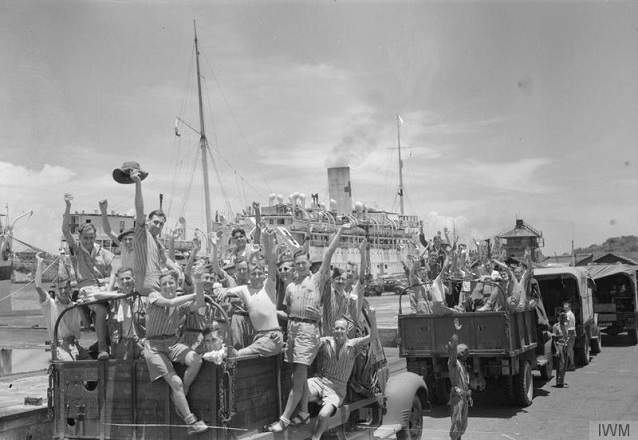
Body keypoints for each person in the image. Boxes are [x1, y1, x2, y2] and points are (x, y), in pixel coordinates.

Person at [266, 223, 352, 432]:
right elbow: (289, 313)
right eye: (298, 264)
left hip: (308, 332)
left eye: (304, 263)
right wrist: (269, 312)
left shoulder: (317, 279)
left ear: (308, 264)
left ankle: (284, 419)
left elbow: (329, 252)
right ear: (294, 266)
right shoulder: (291, 287)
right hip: (293, 331)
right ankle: (303, 412)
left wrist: (340, 230)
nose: (301, 266)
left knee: (298, 377)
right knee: (298, 377)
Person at [143, 270, 208, 435]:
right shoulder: (153, 296)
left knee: (196, 360)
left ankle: (181, 394)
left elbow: (199, 304)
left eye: (170, 282)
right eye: (164, 283)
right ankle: (190, 421)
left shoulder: (181, 302)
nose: (167, 286)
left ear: (176, 284)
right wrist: (193, 294)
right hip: (154, 346)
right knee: (176, 382)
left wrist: (199, 281)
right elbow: (170, 303)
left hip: (172, 342)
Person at [296, 313, 377, 439]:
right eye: (337, 328)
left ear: (346, 331)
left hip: (336, 390)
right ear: (333, 330)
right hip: (320, 381)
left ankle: (316, 436)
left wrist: (372, 318)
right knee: (300, 389)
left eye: (342, 328)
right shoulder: (326, 342)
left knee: (323, 415)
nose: (339, 331)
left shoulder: (353, 346)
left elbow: (372, 337)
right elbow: (312, 341)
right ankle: (306, 412)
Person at [62, 193, 114, 360]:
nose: (88, 241)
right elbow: (65, 230)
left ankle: (118, 344)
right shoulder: (76, 250)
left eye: (91, 238)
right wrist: (68, 206)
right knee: (100, 309)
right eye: (85, 238)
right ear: (80, 237)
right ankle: (102, 349)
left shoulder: (101, 251)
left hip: (105, 288)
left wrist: (111, 288)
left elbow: (114, 270)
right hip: (87, 288)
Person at [225, 228, 283, 357]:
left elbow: (272, 261)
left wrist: (269, 239)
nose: (257, 276)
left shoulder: (268, 286)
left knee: (240, 354)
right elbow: (227, 291)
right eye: (253, 274)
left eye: (259, 273)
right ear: (249, 276)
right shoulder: (245, 289)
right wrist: (221, 291)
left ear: (264, 275)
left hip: (273, 336)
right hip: (258, 337)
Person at [130, 169, 182, 296]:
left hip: (158, 284)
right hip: (148, 286)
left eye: (161, 224)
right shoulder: (142, 234)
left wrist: (176, 269)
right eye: (155, 222)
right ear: (148, 221)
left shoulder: (157, 242)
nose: (158, 226)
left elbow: (165, 259)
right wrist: (138, 183)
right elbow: (139, 208)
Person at [35, 252, 88, 361]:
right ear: (56, 289)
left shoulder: (75, 306)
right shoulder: (50, 304)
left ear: (70, 289)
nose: (63, 291)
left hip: (75, 345)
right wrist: (39, 263)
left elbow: (87, 326)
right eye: (60, 289)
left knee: (97, 366)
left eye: (65, 288)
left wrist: (81, 307)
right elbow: (38, 287)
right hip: (60, 346)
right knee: (69, 366)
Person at [81, 267, 140, 360]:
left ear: (134, 279)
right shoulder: (113, 299)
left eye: (128, 278)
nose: (125, 281)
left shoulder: (140, 298)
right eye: (122, 279)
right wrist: (121, 295)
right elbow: (97, 295)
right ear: (118, 282)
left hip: (138, 343)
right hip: (120, 344)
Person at [99, 199, 134, 291]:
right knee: (114, 271)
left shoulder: (141, 250)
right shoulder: (123, 247)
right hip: (125, 281)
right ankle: (109, 291)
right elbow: (108, 231)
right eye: (125, 239)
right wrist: (103, 211)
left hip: (136, 283)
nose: (127, 242)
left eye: (130, 239)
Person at [447, 317, 472, 440]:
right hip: (457, 397)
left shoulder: (463, 365)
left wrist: (468, 395)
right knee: (456, 422)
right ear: (461, 353)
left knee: (462, 423)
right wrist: (456, 332)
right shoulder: (454, 363)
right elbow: (452, 349)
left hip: (464, 396)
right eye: (466, 352)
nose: (468, 354)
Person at [552, 312, 569, 387]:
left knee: (565, 364)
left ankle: (562, 380)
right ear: (561, 318)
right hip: (559, 346)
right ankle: (559, 382)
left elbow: (566, 336)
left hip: (565, 346)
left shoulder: (565, 326)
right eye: (564, 319)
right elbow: (554, 339)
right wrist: (556, 350)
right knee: (561, 364)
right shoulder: (556, 326)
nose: (565, 320)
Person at [563, 302, 576, 370]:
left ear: (569, 307)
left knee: (569, 349)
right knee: (570, 349)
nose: (565, 308)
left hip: (569, 332)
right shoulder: (572, 314)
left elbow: (566, 323)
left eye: (566, 307)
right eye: (564, 306)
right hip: (572, 332)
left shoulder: (567, 314)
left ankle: (571, 364)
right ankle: (571, 364)